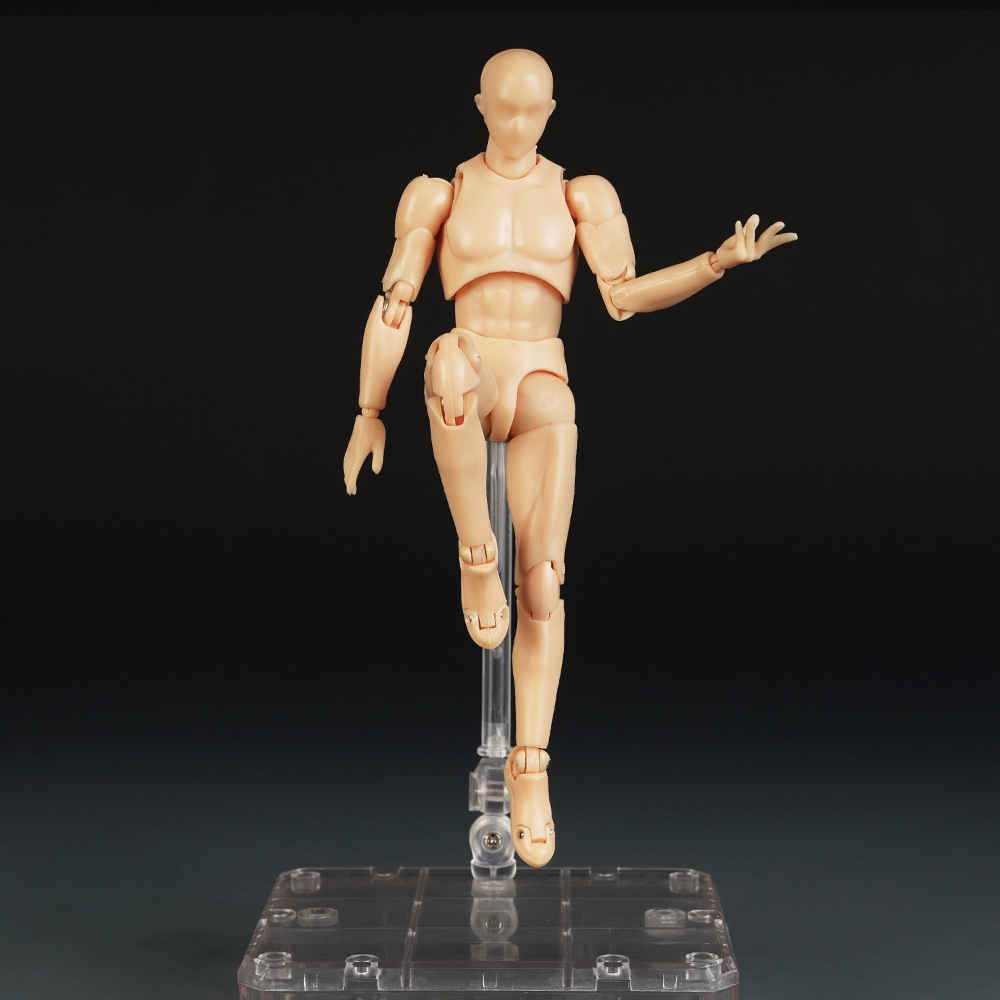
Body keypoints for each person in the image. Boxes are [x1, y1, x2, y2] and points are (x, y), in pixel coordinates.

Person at [344, 49, 796, 867]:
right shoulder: (439, 194)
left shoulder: (582, 194)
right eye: (505, 107)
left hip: (541, 377)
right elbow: (396, 301)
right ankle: (475, 554)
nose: (519, 123)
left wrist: (716, 264)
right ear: (480, 105)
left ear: (551, 112)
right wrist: (368, 410)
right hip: (472, 363)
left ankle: (530, 767)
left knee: (546, 587)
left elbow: (622, 296)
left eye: (534, 110)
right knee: (446, 368)